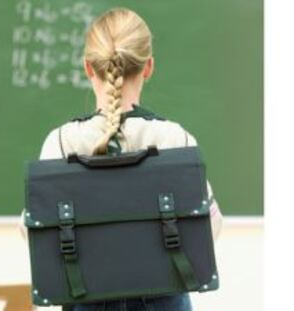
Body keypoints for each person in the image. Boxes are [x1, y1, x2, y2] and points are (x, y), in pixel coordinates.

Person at [21, 7, 223, 311]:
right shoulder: (174, 138)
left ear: (89, 68)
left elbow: (32, 231)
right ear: (148, 66)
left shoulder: (61, 141)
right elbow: (210, 225)